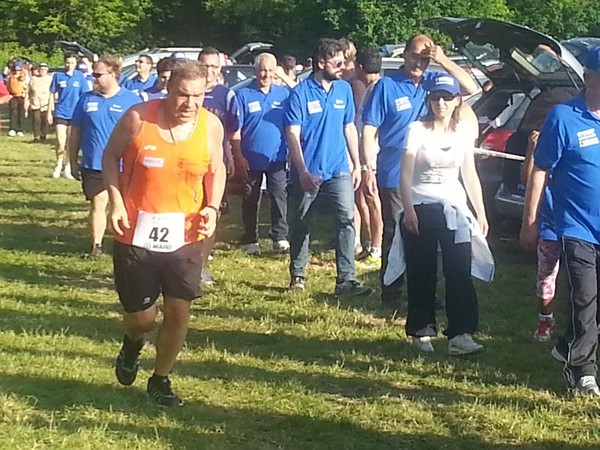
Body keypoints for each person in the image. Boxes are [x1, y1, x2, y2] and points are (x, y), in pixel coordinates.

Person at [103, 60, 226, 406]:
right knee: (143, 317)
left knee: (178, 311)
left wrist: (212, 208)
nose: (189, 104)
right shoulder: (138, 118)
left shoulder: (210, 126)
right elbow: (110, 157)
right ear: (168, 90)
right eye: (182, 95)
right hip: (135, 232)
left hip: (185, 234)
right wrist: (116, 202)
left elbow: (216, 169)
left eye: (198, 96)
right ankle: (132, 343)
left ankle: (161, 379)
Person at [362, 34, 479, 309]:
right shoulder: (386, 86)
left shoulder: (431, 84)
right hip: (394, 172)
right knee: (397, 232)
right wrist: (368, 167)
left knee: (426, 236)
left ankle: (424, 291)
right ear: (404, 55)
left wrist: (441, 60)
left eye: (425, 58)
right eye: (415, 56)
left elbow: (470, 87)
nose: (419, 62)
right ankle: (391, 291)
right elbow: (369, 130)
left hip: (427, 176)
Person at [520, 48, 600, 396]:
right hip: (576, 226)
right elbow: (540, 169)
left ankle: (566, 345)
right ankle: (582, 370)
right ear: (588, 77)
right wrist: (530, 221)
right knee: (584, 298)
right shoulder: (563, 117)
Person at [400, 74, 490, 355]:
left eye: (447, 97)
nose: (441, 103)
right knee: (422, 270)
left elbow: (469, 174)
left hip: (454, 207)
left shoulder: (462, 133)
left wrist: (481, 212)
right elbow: (405, 174)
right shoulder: (417, 129)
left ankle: (461, 334)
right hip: (422, 205)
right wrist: (409, 209)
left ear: (456, 101)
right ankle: (421, 330)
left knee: (459, 270)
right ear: (429, 100)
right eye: (436, 97)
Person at [284, 38, 371, 296]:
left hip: (338, 169)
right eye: (338, 63)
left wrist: (358, 164)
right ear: (321, 63)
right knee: (301, 223)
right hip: (308, 172)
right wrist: (302, 172)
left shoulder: (343, 90)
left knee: (346, 220)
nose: (343, 67)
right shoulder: (299, 93)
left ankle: (346, 280)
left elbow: (348, 127)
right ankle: (297, 275)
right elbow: (292, 134)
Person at [517, 88, 578, 341]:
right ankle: (546, 320)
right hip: (549, 221)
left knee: (581, 278)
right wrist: (532, 150)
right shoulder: (541, 140)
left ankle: (579, 323)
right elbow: (526, 178)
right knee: (546, 273)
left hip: (576, 221)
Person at [69, 57, 141, 258]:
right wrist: (72, 160)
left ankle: (126, 242)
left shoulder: (132, 101)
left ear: (114, 75)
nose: (94, 78)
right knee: (98, 203)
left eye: (98, 74)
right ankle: (96, 246)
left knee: (125, 204)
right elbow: (75, 131)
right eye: (93, 74)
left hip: (123, 165)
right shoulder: (85, 99)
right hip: (94, 163)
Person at [235, 53, 290, 255]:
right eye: (262, 70)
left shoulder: (284, 94)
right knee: (251, 198)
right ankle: (251, 238)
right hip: (250, 157)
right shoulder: (243, 95)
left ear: (275, 71)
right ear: (255, 71)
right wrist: (238, 156)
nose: (265, 75)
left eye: (269, 70)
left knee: (278, 196)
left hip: (276, 156)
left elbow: (291, 123)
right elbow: (236, 130)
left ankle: (280, 237)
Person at [197, 46, 240, 285]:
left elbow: (233, 132)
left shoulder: (226, 95)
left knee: (210, 214)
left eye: (214, 67)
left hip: (215, 165)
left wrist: (233, 158)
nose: (209, 71)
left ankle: (201, 266)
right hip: (187, 163)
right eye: (205, 66)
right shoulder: (187, 92)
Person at [353, 48, 383, 266]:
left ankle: (377, 247)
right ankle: (371, 243)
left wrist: (367, 164)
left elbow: (374, 129)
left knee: (374, 200)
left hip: (374, 155)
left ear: (360, 68)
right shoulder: (369, 89)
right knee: (366, 198)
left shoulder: (377, 89)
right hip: (366, 155)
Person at [48, 52, 90, 179]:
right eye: (67, 62)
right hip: (61, 111)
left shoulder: (80, 77)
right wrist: (50, 111)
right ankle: (59, 163)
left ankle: (68, 167)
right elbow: (52, 93)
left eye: (72, 63)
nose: (69, 65)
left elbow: (85, 95)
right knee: (60, 142)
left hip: (75, 114)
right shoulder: (58, 76)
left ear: (75, 63)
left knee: (70, 143)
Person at [26, 63, 52, 142]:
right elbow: (28, 91)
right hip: (35, 103)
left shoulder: (50, 79)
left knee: (45, 121)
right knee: (36, 120)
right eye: (41, 69)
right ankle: (36, 136)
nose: (42, 71)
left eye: (44, 70)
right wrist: (27, 102)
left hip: (46, 104)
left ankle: (43, 135)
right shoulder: (33, 79)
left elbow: (53, 92)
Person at [6, 60, 27, 137]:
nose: (17, 71)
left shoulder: (25, 76)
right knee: (13, 112)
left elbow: (27, 86)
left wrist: (25, 92)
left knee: (21, 113)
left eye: (19, 69)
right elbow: (8, 86)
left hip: (22, 96)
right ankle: (13, 128)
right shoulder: (11, 77)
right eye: (16, 69)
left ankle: (20, 129)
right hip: (13, 96)